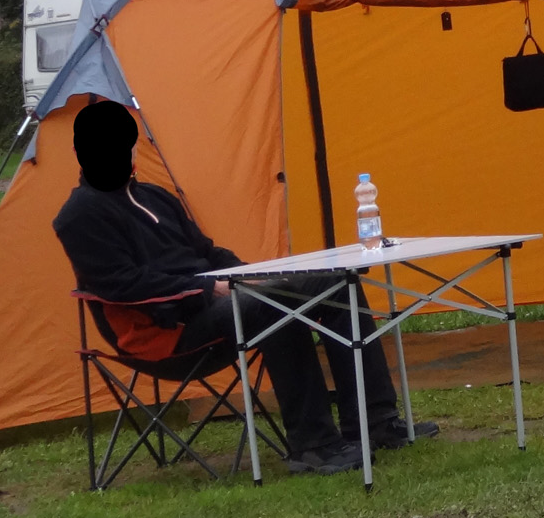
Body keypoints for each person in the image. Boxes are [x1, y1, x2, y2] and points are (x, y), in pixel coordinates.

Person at [53, 99, 437, 475]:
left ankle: (375, 421)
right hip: (165, 332)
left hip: (217, 305)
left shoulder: (156, 198)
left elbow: (208, 252)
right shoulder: (79, 215)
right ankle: (314, 444)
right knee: (272, 305)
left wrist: (248, 274)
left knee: (336, 283)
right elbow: (124, 286)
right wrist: (211, 289)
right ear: (79, 153)